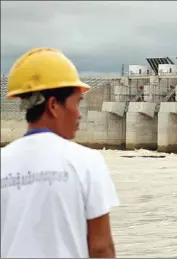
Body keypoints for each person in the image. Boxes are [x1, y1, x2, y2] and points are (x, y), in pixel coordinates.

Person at [1, 48, 120, 258]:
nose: (79, 114)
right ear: (54, 105)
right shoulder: (87, 162)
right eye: (77, 102)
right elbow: (101, 248)